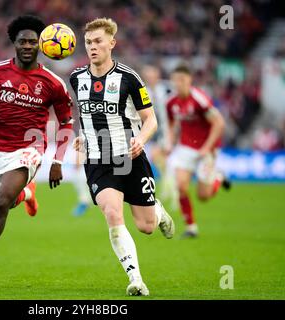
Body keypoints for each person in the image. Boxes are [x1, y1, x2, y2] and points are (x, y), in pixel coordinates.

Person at [0, 15, 73, 284]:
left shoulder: (53, 82)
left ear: (42, 45)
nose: (28, 46)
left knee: (0, 205)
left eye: (33, 41)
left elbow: (67, 123)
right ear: (14, 43)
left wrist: (57, 161)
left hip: (29, 149)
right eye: (23, 41)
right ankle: (27, 194)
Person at [69, 18, 175, 296]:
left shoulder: (129, 78)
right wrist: (85, 136)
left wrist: (141, 139)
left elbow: (150, 119)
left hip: (130, 157)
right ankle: (136, 279)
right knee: (112, 213)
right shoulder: (77, 78)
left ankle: (158, 211)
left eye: (98, 41)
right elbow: (87, 115)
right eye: (89, 42)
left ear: (111, 43)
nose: (93, 47)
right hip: (98, 159)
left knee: (146, 226)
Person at [166, 64, 231, 239]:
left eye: (182, 80)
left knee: (203, 196)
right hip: (185, 148)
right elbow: (171, 125)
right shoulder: (171, 103)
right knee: (180, 186)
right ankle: (191, 227)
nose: (179, 83)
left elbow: (219, 123)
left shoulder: (199, 99)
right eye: (176, 80)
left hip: (206, 149)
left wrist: (207, 147)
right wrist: (170, 143)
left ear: (190, 81)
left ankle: (218, 177)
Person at [141, 65, 178, 211]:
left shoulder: (168, 89)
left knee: (160, 157)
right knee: (159, 159)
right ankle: (170, 188)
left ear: (157, 74)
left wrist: (173, 133)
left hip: (168, 130)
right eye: (147, 75)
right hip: (157, 131)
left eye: (152, 75)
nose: (150, 78)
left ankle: (172, 191)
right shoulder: (145, 91)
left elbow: (176, 109)